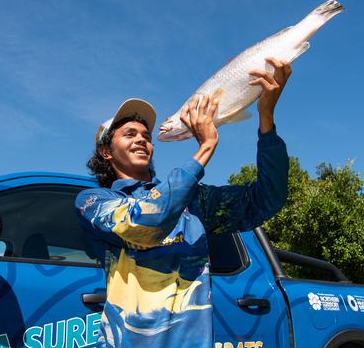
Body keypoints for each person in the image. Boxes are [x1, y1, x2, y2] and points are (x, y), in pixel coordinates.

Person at [75, 58, 292, 348]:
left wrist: (266, 118)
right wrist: (204, 149)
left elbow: (268, 197)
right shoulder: (94, 201)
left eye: (146, 136)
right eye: (129, 134)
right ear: (106, 152)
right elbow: (144, 223)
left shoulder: (194, 201)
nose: (142, 141)